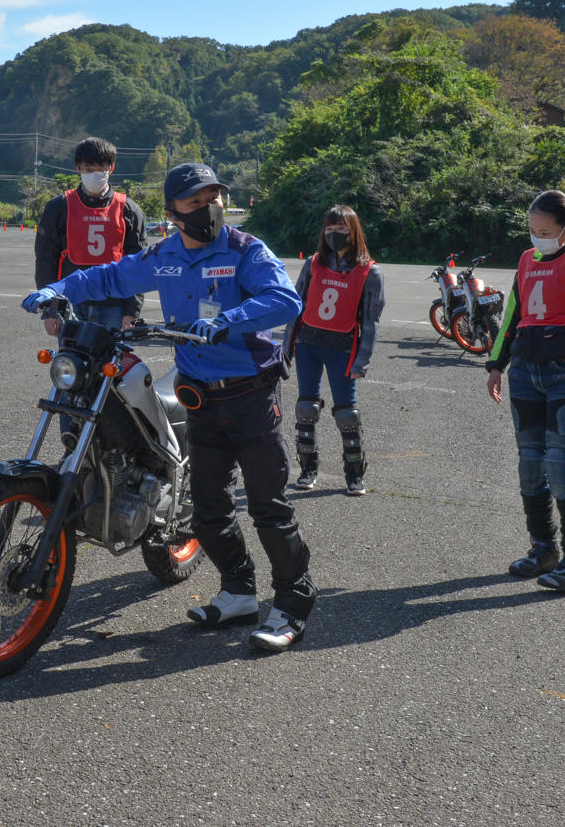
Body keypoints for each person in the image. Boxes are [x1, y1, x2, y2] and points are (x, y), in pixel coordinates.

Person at [22, 162, 315, 652]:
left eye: (213, 197)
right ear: (173, 212)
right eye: (195, 201)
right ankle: (240, 590)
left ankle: (291, 605)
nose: (208, 208)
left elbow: (286, 301)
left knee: (269, 507)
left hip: (251, 395)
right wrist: (58, 289)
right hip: (199, 394)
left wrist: (230, 319)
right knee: (207, 508)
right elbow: (110, 276)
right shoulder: (166, 255)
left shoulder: (246, 250)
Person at [485, 190, 565, 592]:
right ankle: (544, 550)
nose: (537, 237)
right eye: (532, 230)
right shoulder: (527, 260)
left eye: (545, 231)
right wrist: (496, 364)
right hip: (526, 372)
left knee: (560, 467)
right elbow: (512, 315)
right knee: (530, 467)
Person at [285, 205, 385, 496]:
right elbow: (296, 306)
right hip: (308, 345)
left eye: (341, 229)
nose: (335, 234)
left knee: (347, 414)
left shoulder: (370, 271)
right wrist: (286, 350)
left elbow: (371, 321)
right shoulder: (314, 263)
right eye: (329, 229)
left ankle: (354, 475)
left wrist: (362, 360)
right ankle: (308, 469)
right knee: (306, 408)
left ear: (353, 231)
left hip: (342, 349)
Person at [33, 136, 146, 336]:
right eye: (88, 169)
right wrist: (50, 310)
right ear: (78, 168)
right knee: (71, 363)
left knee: (109, 364)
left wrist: (132, 311)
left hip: (114, 305)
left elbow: (137, 263)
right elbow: (45, 260)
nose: (95, 175)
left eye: (100, 169)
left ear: (111, 168)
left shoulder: (128, 209)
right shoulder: (59, 207)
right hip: (70, 303)